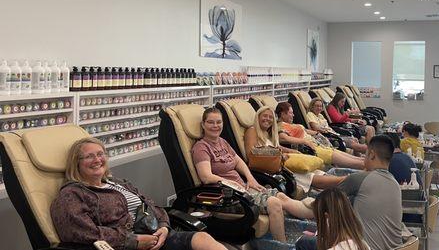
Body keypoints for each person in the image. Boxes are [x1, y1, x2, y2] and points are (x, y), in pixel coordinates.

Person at [51, 137, 226, 250]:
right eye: (89, 157)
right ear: (76, 163)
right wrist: (133, 241)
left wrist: (164, 226)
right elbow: (79, 233)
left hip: (155, 235)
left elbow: (149, 204)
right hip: (123, 245)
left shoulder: (117, 183)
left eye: (100, 154)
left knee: (203, 239)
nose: (97, 160)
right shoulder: (72, 194)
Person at [192, 107, 312, 243]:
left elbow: (239, 162)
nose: (215, 126)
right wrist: (231, 184)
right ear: (203, 124)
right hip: (227, 197)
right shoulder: (201, 147)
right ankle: (283, 245)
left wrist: (251, 179)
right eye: (210, 122)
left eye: (218, 122)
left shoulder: (222, 142)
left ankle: (317, 211)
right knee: (274, 203)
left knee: (280, 195)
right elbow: (206, 177)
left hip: (242, 189)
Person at [296, 135, 409, 250]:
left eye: (365, 154)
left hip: (365, 247)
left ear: (372, 154)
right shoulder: (394, 184)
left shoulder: (360, 178)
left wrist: (289, 202)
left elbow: (323, 202)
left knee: (304, 242)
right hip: (397, 247)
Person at [244, 106, 346, 192]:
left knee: (315, 172)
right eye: (265, 116)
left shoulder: (267, 133)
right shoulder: (252, 131)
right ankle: (346, 181)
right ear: (258, 117)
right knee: (308, 176)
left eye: (271, 117)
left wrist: (291, 151)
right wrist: (279, 154)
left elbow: (277, 147)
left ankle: (345, 183)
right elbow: (251, 153)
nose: (268, 119)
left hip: (278, 162)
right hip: (269, 168)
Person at [275, 102, 364, 169]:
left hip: (318, 144)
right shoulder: (280, 126)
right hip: (312, 149)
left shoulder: (291, 124)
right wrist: (305, 141)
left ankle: (371, 163)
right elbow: (283, 138)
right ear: (282, 114)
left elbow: (306, 131)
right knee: (355, 162)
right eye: (291, 113)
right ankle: (373, 167)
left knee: (355, 159)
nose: (293, 115)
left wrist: (319, 134)